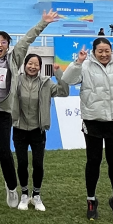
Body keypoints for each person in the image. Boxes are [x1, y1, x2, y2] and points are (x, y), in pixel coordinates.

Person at [0, 0, 59, 207]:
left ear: (8, 46)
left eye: (4, 42)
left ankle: (11, 188)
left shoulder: (14, 59)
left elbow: (27, 40)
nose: (0, 45)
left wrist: (43, 23)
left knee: (3, 151)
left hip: (2, 112)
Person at [61, 38, 113, 221]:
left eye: (107, 50)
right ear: (93, 52)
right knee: (93, 161)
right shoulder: (85, 65)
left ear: (111, 50)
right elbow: (67, 79)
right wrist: (78, 62)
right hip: (92, 119)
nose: (104, 54)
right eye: (100, 51)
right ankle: (91, 200)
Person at [11, 54, 69, 211]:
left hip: (38, 130)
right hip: (19, 128)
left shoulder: (46, 83)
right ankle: (24, 195)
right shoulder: (16, 80)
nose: (32, 67)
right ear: (25, 65)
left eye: (36, 64)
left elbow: (64, 91)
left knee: (38, 164)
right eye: (30, 63)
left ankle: (36, 195)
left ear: (40, 67)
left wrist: (59, 73)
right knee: (22, 163)